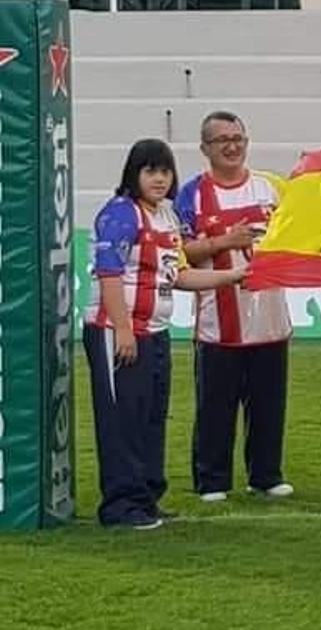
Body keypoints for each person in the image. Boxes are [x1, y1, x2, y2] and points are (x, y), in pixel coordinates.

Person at [84, 140, 249, 530]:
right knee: (123, 419)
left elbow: (178, 275)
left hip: (155, 333)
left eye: (165, 171)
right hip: (119, 332)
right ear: (134, 175)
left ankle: (145, 497)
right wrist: (123, 328)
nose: (159, 179)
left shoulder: (167, 217)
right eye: (150, 171)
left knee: (151, 418)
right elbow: (108, 272)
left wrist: (231, 276)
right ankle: (121, 507)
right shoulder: (121, 214)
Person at [175, 112, 296, 503]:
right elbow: (179, 253)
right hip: (218, 321)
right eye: (222, 140)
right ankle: (211, 479)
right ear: (205, 149)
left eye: (238, 138)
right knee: (215, 405)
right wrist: (224, 241)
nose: (232, 146)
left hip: (270, 318)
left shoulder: (271, 187)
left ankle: (266, 474)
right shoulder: (191, 194)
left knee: (268, 404)